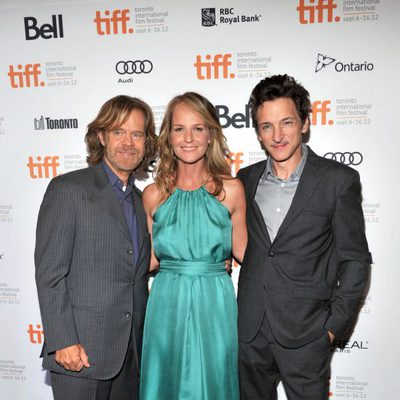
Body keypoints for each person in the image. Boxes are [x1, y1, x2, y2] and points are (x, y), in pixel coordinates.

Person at [237, 75, 371, 400]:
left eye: (287, 122)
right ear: (257, 131)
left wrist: (331, 328)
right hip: (250, 331)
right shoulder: (244, 179)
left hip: (307, 333)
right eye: (267, 126)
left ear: (305, 123)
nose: (277, 135)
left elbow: (355, 260)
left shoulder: (338, 180)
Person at [35, 95, 157, 400]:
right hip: (81, 352)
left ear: (146, 143)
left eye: (137, 134)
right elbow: (50, 274)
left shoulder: (143, 200)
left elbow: (137, 270)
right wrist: (63, 340)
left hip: (131, 357)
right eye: (118, 132)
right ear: (101, 136)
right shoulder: (68, 189)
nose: (128, 142)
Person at [139, 92, 247, 400]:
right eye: (179, 129)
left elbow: (246, 253)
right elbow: (146, 262)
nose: (188, 138)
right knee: (165, 383)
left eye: (198, 128)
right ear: (168, 137)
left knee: (213, 384)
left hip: (215, 303)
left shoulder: (231, 190)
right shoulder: (153, 195)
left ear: (211, 135)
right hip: (165, 304)